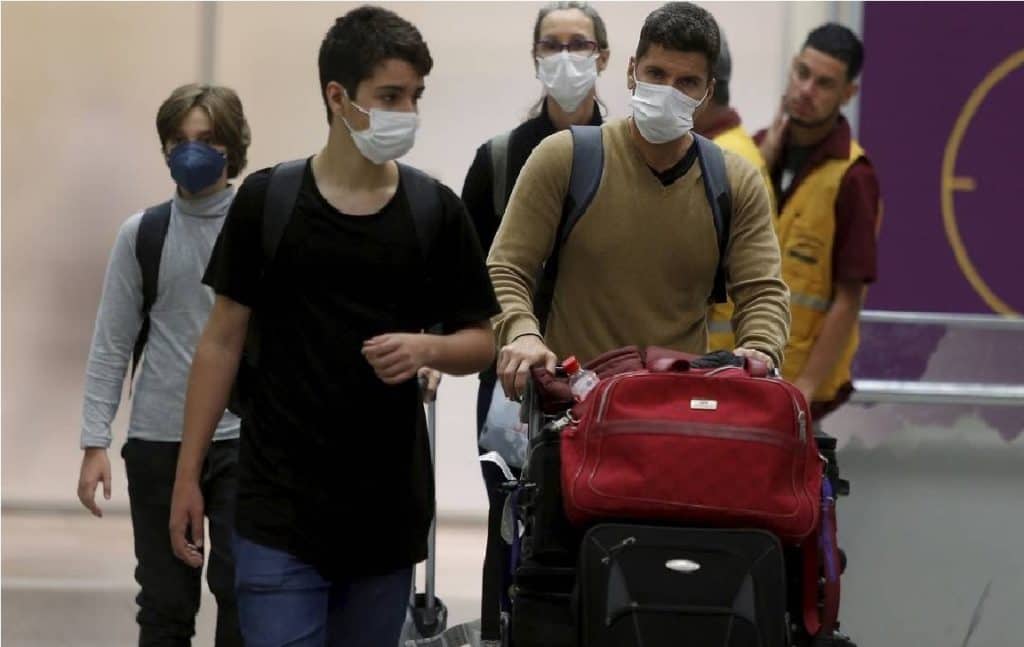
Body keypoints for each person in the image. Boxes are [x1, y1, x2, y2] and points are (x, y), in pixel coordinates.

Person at [167, 7, 499, 647]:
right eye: (391, 97)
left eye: (416, 96)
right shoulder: (268, 201)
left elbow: (481, 341)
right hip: (277, 511)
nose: (408, 112)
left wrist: (427, 347)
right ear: (337, 97)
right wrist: (189, 474)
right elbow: (221, 341)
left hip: (385, 515)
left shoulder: (434, 210)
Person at [488, 1, 790, 401]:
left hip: (679, 410)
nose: (669, 92)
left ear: (707, 92)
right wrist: (522, 334)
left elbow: (762, 291)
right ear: (632, 71)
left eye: (687, 82)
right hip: (574, 408)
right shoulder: (565, 158)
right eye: (656, 74)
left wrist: (760, 348)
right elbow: (507, 267)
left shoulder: (734, 181)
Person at [76, 83, 251, 646]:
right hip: (158, 439)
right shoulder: (143, 234)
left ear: (232, 147)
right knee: (164, 603)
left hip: (241, 437)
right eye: (179, 140)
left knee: (243, 595)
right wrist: (94, 441)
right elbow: (112, 341)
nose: (191, 151)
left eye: (207, 139)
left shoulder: (256, 227)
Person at [459, 2, 610, 642]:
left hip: (600, 371)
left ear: (604, 57)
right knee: (510, 518)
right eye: (553, 44)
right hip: (512, 377)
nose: (567, 57)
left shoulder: (625, 155)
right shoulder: (498, 159)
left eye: (580, 44)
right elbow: (465, 274)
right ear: (535, 57)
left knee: (597, 515)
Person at [755, 22, 880, 425]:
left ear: (848, 94)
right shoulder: (757, 151)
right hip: (735, 370)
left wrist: (806, 387)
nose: (807, 90)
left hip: (795, 387)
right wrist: (760, 165)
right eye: (802, 73)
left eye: (824, 83)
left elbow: (849, 297)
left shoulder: (853, 176)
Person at [694, 28, 776, 354]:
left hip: (712, 355)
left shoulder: (719, 161)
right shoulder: (735, 148)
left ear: (708, 87)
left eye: (684, 81)